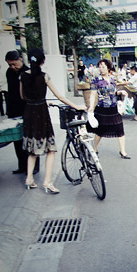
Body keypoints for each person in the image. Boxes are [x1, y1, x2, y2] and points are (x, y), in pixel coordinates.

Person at [20, 48, 85, 193]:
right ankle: (48, 182)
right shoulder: (44, 76)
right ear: (43, 61)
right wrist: (75, 105)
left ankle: (29, 179)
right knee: (50, 149)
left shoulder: (22, 76)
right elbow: (60, 97)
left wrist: (37, 101)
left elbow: (23, 97)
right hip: (41, 114)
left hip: (29, 113)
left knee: (32, 148)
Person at [4, 50, 39, 175]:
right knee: (17, 140)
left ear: (20, 59)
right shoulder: (9, 73)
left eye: (14, 64)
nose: (13, 67)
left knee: (30, 139)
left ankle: (34, 166)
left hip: (27, 109)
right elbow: (10, 92)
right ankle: (22, 165)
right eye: (10, 65)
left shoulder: (28, 72)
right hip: (14, 110)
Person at [87, 58, 131, 158]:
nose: (101, 69)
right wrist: (91, 107)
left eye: (103, 67)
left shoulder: (112, 79)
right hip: (102, 108)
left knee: (120, 129)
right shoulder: (96, 80)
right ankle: (94, 149)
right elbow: (93, 95)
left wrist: (120, 92)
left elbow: (114, 92)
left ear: (108, 68)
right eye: (100, 67)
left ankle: (123, 152)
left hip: (113, 108)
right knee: (100, 131)